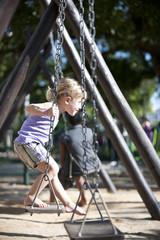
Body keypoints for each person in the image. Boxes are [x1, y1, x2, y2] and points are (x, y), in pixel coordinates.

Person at [13, 78, 86, 215]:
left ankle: (68, 204)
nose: (80, 106)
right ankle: (30, 197)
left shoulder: (57, 111)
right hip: (27, 142)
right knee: (53, 168)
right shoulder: (51, 107)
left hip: (31, 144)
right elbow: (29, 108)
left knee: (52, 174)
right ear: (68, 100)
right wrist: (46, 112)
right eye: (79, 102)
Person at [50, 111, 100, 206]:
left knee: (53, 176)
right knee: (78, 174)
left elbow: (62, 158)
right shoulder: (88, 131)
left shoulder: (65, 135)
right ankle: (84, 199)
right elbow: (89, 146)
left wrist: (64, 170)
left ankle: (52, 201)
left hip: (78, 166)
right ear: (82, 121)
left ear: (68, 120)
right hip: (94, 164)